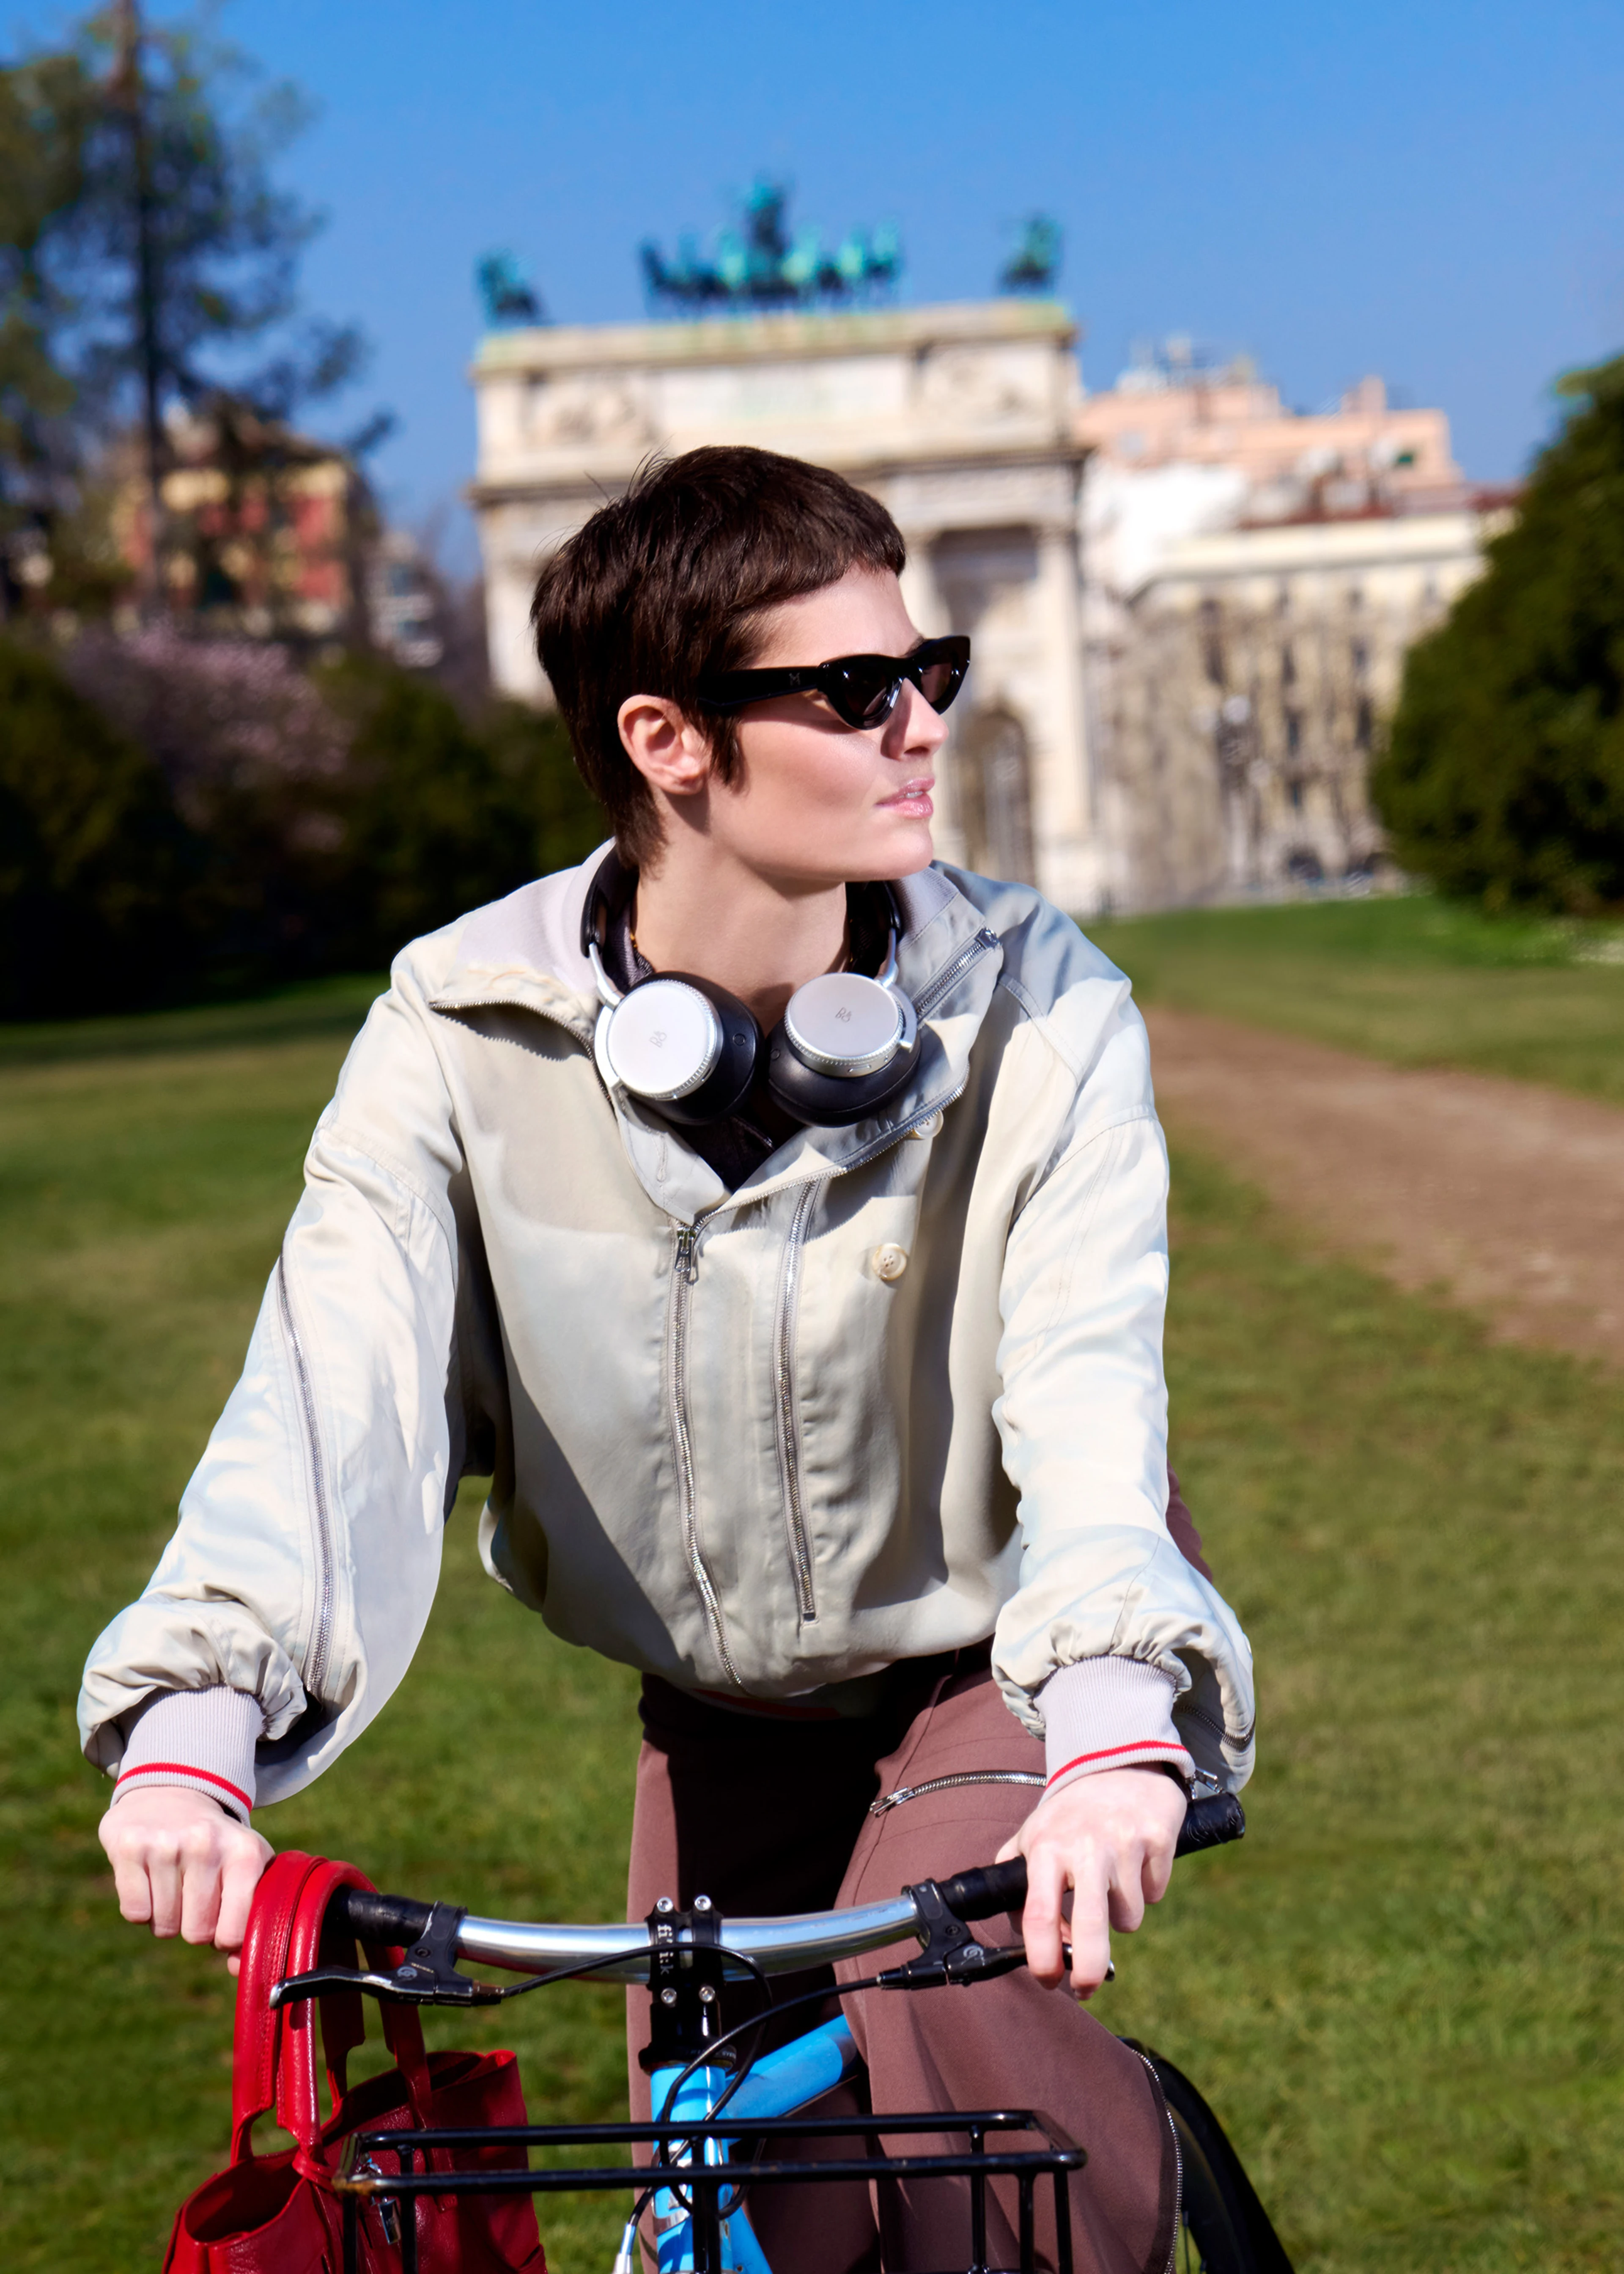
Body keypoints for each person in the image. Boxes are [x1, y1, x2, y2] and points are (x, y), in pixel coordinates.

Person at [81, 445, 1254, 2274]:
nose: (924, 723)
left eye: (928, 668)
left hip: (1000, 1672)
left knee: (947, 2036)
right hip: (717, 1719)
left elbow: (1093, 1397)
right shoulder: (460, 1030)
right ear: (668, 741)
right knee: (709, 2184)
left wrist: (1116, 1731)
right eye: (856, 690)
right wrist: (192, 1730)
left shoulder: (1045, 1005)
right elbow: (334, 1394)